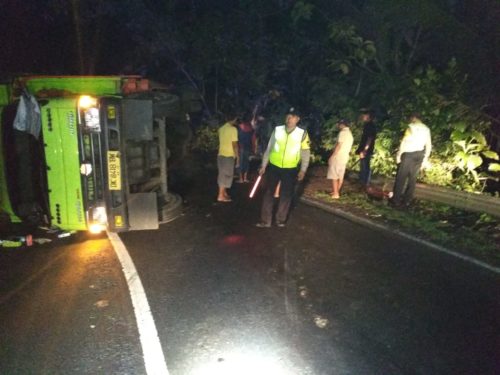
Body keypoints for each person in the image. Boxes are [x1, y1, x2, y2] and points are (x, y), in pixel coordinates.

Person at [256, 108, 310, 228]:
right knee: (268, 193)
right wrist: (263, 165)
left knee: (286, 195)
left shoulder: (302, 134)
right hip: (274, 167)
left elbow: (306, 153)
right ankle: (265, 220)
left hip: (290, 168)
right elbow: (269, 149)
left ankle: (281, 219)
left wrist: (303, 169)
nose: (289, 119)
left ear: (298, 119)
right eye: (288, 116)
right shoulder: (278, 130)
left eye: (292, 117)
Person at [390, 113, 432, 208]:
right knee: (412, 179)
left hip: (408, 154)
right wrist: (425, 158)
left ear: (414, 118)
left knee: (401, 177)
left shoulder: (411, 127)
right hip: (419, 154)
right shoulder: (426, 129)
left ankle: (395, 200)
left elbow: (404, 141)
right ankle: (407, 201)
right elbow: (428, 145)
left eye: (411, 118)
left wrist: (399, 154)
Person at [327, 119, 354, 199]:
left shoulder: (343, 133)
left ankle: (336, 194)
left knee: (334, 175)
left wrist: (332, 156)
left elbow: (339, 145)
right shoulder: (350, 134)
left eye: (339, 124)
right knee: (340, 175)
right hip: (345, 156)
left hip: (338, 156)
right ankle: (336, 191)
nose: (338, 125)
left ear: (342, 124)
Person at [217, 115, 239, 202]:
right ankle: (220, 195)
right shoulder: (233, 129)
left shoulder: (221, 128)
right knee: (226, 175)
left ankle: (223, 193)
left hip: (221, 154)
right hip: (228, 155)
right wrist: (238, 156)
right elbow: (234, 144)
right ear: (234, 118)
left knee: (222, 174)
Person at [355, 109, 377, 188]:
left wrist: (365, 150)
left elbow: (369, 139)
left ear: (368, 116)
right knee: (364, 166)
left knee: (365, 166)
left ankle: (364, 183)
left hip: (366, 150)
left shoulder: (369, 126)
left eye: (364, 115)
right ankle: (363, 183)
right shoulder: (368, 125)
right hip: (366, 149)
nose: (363, 117)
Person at [236, 115, 254, 183]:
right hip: (248, 147)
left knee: (240, 163)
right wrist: (253, 149)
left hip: (241, 147)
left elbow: (236, 138)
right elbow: (253, 139)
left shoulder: (239, 127)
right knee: (246, 162)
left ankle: (241, 179)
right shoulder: (250, 128)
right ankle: (245, 178)